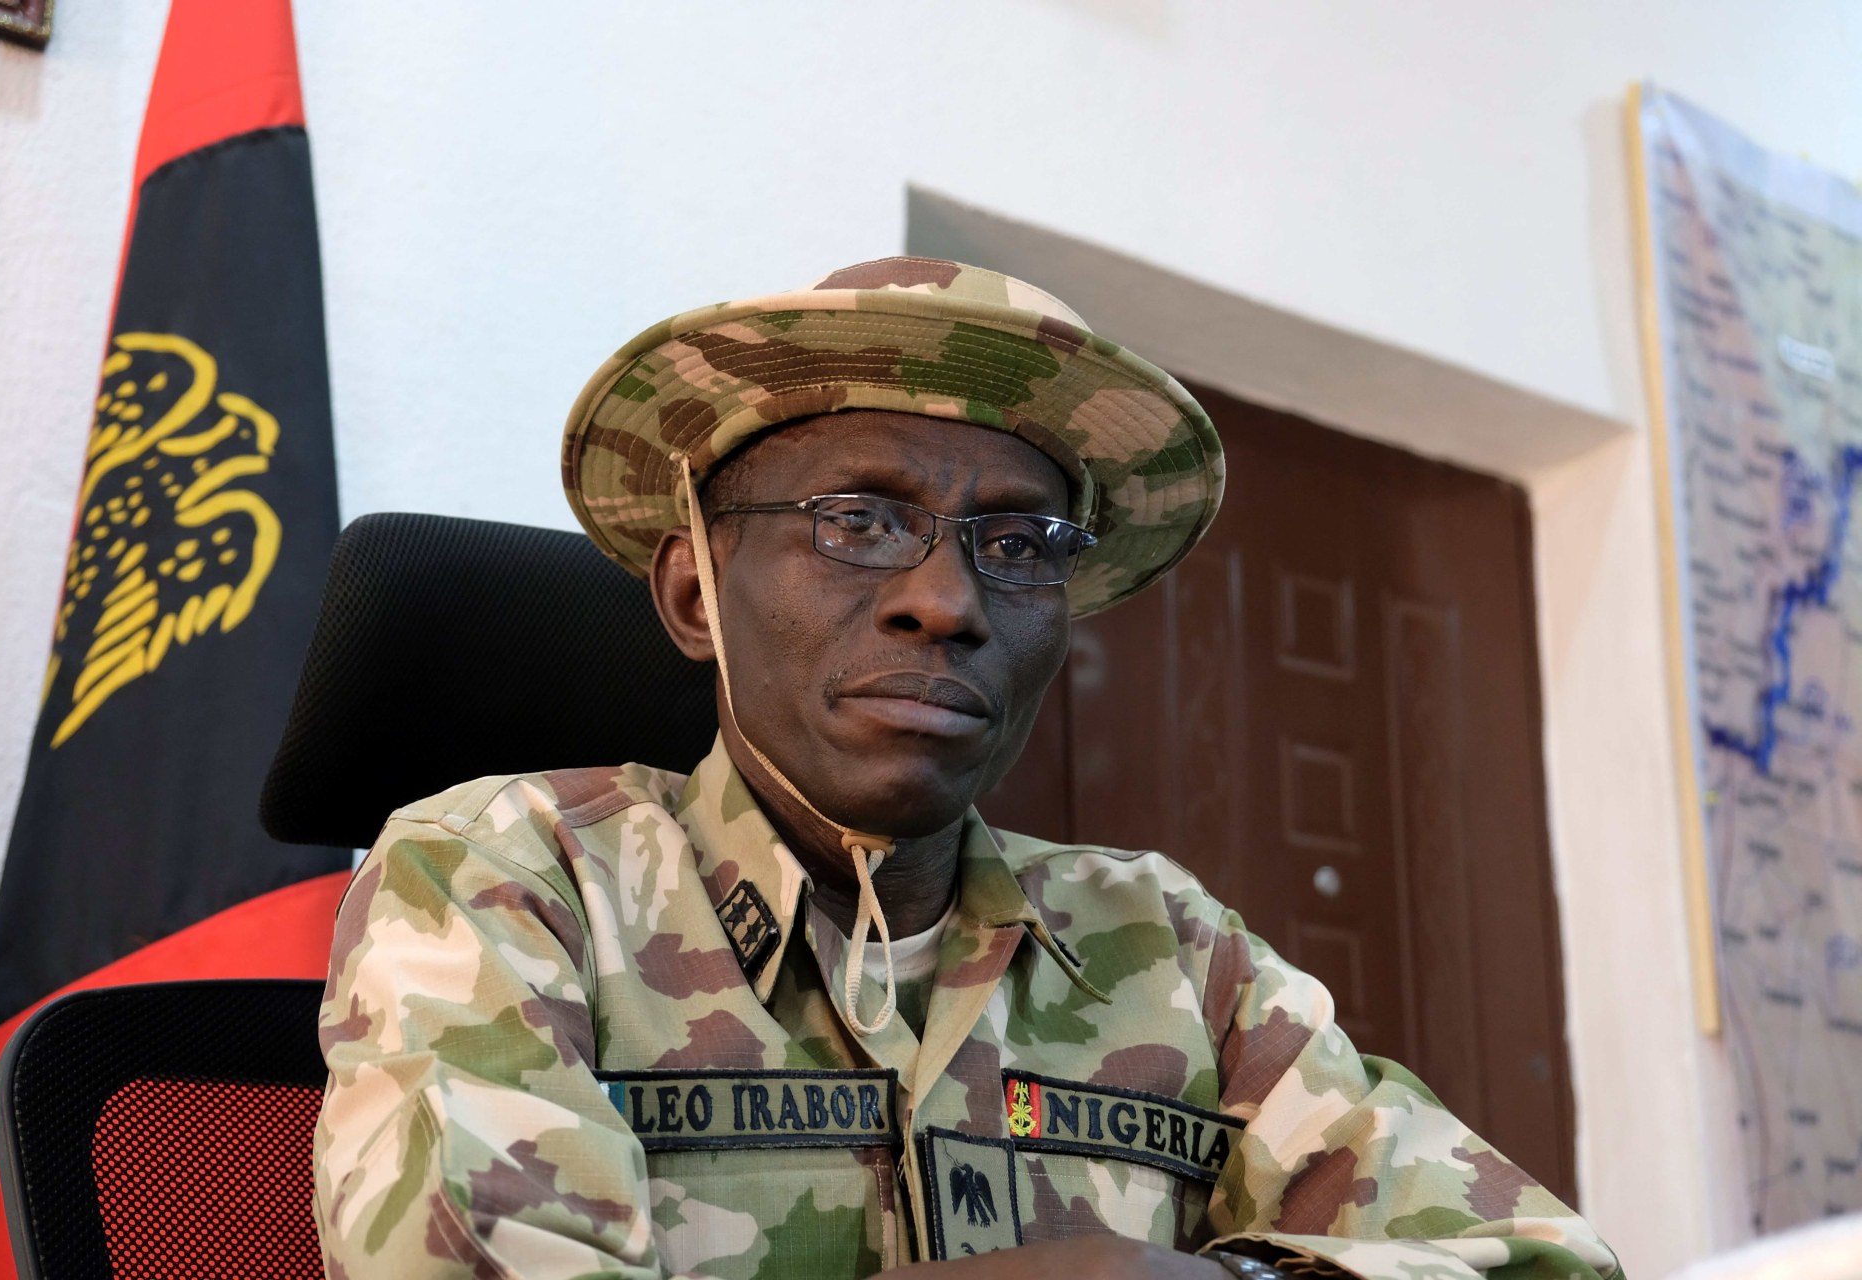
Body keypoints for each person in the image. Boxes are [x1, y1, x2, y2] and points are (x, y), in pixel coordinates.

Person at [312, 258, 1622, 1279]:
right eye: (861, 520)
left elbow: (1549, 1261)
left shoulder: (1161, 945)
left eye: (1023, 542)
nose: (946, 600)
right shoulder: (514, 874)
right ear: (696, 594)